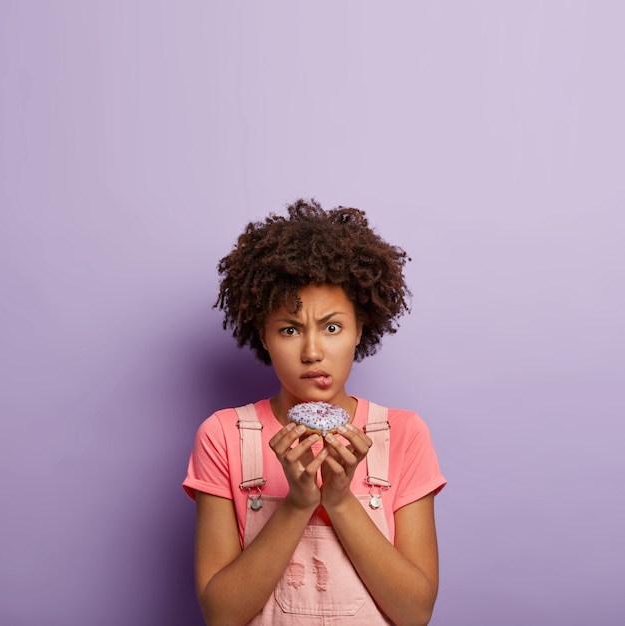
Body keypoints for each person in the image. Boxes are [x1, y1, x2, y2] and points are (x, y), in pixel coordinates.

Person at [183, 199, 446, 626]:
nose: (312, 352)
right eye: (289, 329)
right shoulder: (224, 435)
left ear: (360, 328)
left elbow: (415, 613)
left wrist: (340, 501)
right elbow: (222, 615)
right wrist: (298, 503)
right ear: (263, 335)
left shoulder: (404, 433)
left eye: (332, 327)